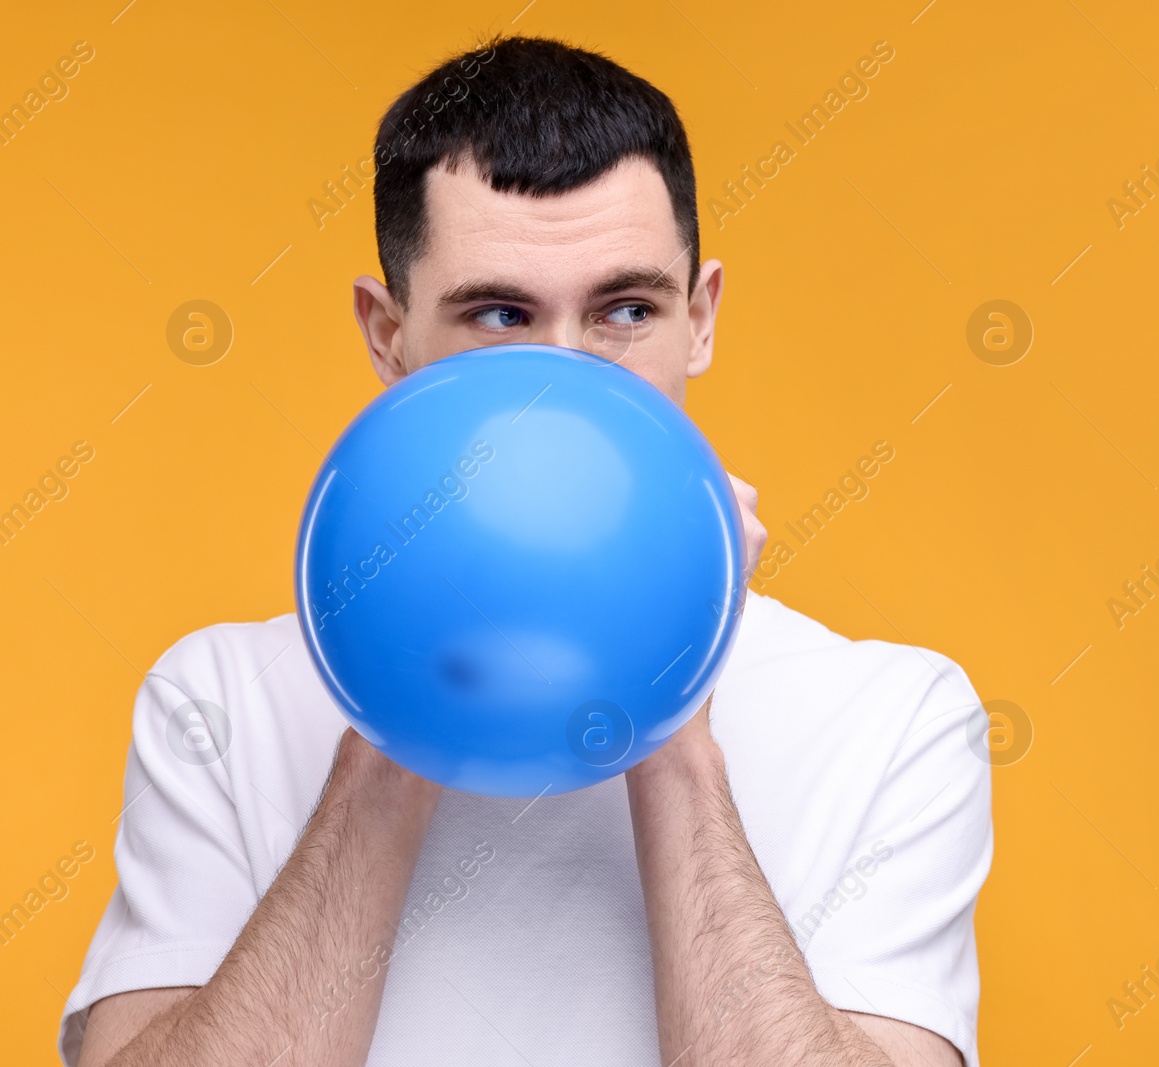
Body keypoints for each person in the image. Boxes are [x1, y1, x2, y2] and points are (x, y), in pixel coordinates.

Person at [59, 34, 992, 1067]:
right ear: (387, 333)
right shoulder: (217, 699)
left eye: (625, 311)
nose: (563, 389)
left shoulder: (896, 718)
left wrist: (668, 691)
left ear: (701, 319)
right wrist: (396, 704)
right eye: (499, 314)